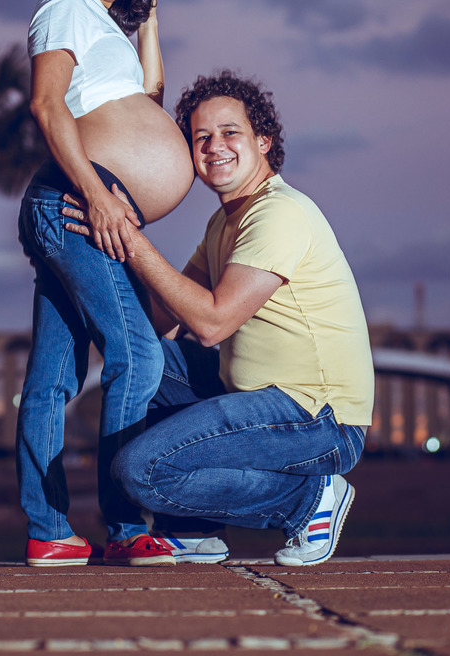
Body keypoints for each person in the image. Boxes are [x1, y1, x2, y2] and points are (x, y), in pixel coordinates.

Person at [63, 70, 374, 566]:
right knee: (147, 359)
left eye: (231, 132)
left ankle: (310, 501)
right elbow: (159, 324)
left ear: (263, 141)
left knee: (141, 470)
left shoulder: (279, 215)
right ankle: (194, 530)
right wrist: (108, 242)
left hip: (318, 418)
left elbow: (211, 323)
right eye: (201, 137)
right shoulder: (223, 223)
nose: (214, 146)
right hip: (254, 399)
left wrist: (135, 241)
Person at [17, 0, 194, 567]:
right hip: (80, 200)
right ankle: (125, 528)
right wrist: (97, 195)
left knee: (54, 378)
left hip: (85, 199)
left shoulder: (102, 25)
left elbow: (149, 89)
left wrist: (148, 11)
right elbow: (44, 101)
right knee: (139, 356)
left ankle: (48, 530)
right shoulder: (64, 2)